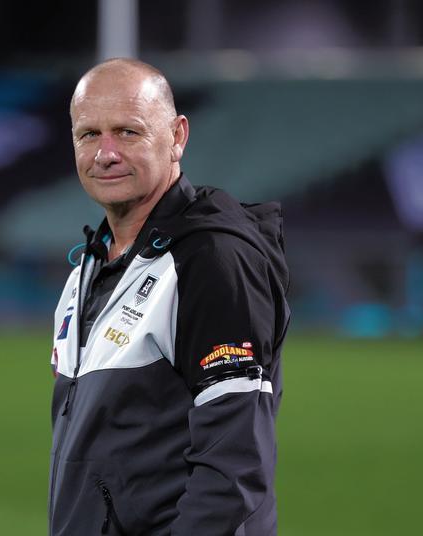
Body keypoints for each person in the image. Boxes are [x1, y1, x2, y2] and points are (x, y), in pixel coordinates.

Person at [49, 58, 290, 535]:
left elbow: (234, 467)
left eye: (128, 132)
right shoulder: (92, 263)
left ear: (177, 135)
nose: (106, 153)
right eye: (89, 134)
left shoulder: (211, 259)